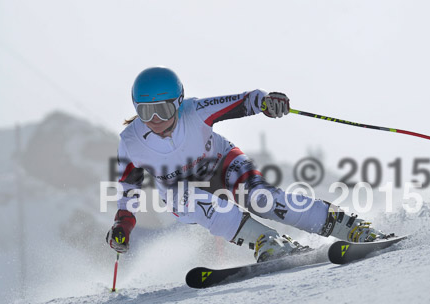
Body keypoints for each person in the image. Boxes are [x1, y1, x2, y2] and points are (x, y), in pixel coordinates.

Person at [106, 66, 389, 261]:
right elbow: (128, 190)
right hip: (181, 190)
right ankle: (267, 241)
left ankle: (349, 227)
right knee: (193, 202)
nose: (156, 121)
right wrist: (123, 225)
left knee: (261, 198)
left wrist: (266, 102)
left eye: (163, 110)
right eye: (146, 112)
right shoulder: (131, 142)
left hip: (221, 164)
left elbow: (242, 101)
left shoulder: (194, 111)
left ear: (178, 103)